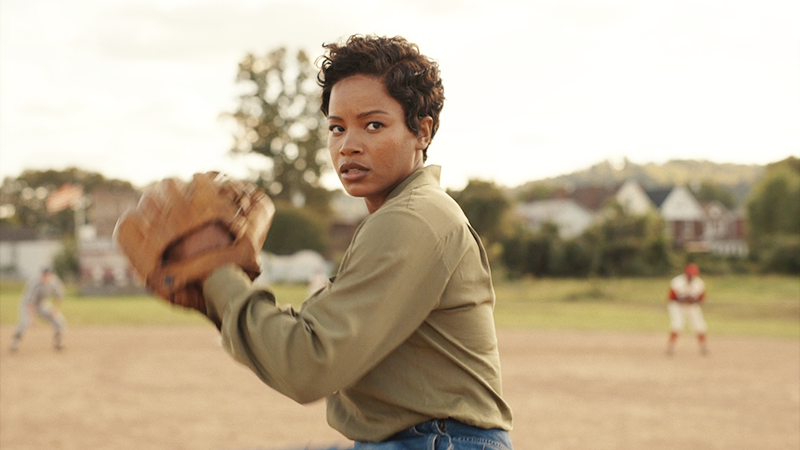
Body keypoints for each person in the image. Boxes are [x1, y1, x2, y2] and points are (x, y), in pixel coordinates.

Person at [170, 35, 514, 449]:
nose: (348, 144)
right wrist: (222, 296)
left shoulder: (412, 220)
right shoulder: (403, 215)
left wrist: (216, 276)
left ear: (421, 131)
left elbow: (307, 365)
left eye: (373, 124)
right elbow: (307, 339)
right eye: (337, 127)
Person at [10, 267, 66, 352]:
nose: (46, 277)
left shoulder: (55, 283)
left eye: (48, 275)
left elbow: (59, 296)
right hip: (27, 304)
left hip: (42, 304)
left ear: (51, 275)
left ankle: (58, 343)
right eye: (44, 275)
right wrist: (32, 319)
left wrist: (55, 309)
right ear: (41, 275)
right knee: (24, 323)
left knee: (60, 321)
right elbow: (30, 303)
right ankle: (15, 342)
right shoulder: (34, 283)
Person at [666, 263, 709, 356]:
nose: (690, 276)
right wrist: (683, 299)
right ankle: (671, 347)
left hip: (692, 306)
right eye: (689, 274)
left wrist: (692, 300)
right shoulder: (677, 281)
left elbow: (702, 298)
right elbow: (671, 297)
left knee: (699, 325)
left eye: (692, 274)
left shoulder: (699, 283)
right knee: (677, 324)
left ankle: (704, 347)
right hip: (677, 306)